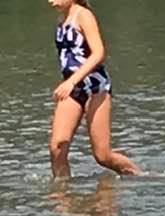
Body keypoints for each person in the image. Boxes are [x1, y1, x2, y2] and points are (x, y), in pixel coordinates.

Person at [48, 0, 140, 178]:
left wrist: (71, 81)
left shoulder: (83, 15)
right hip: (72, 88)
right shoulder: (62, 18)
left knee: (102, 155)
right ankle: (62, 190)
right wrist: (68, 83)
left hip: (95, 87)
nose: (51, 1)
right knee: (57, 146)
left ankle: (139, 176)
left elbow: (98, 53)